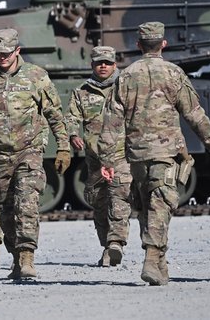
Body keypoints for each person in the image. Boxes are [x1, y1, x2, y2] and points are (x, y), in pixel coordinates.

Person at [99, 21, 210, 286]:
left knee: (148, 208)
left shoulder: (126, 75)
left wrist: (107, 159)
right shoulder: (174, 73)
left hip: (136, 156)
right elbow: (193, 113)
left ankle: (160, 266)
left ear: (138, 45)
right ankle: (151, 259)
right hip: (165, 152)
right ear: (163, 44)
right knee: (160, 205)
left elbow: (111, 120)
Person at [0, 28, 71, 279]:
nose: (2, 58)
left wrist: (63, 146)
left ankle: (27, 257)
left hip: (29, 150)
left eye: (7, 53)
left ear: (17, 50)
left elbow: (54, 113)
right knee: (5, 209)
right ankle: (14, 258)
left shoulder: (36, 76)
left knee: (27, 202)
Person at [64, 46, 131, 267]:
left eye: (108, 62)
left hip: (122, 155)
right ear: (92, 65)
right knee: (99, 204)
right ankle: (107, 248)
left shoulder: (126, 88)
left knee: (119, 199)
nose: (103, 66)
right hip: (95, 158)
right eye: (99, 62)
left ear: (115, 64)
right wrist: (73, 134)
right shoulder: (81, 92)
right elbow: (72, 116)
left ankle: (116, 243)